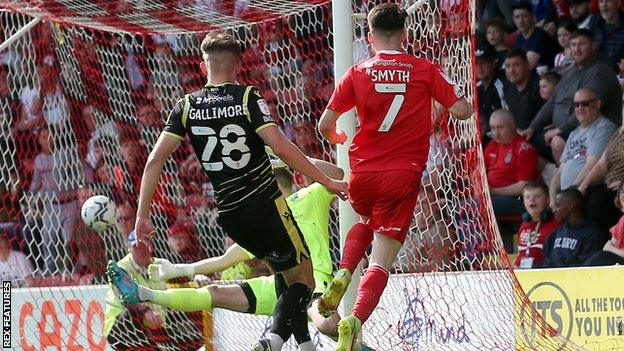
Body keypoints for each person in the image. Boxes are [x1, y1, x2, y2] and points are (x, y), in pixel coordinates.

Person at [107, 31, 348, 351]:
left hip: (231, 217)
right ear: (238, 64)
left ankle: (304, 347)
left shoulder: (186, 105)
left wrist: (142, 218)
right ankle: (273, 341)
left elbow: (153, 161)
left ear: (203, 63)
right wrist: (327, 181)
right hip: (266, 205)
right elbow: (280, 144)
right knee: (304, 280)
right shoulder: (247, 98)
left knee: (284, 277)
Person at [315, 4, 472, 350]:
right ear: (406, 35)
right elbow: (463, 111)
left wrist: (338, 139)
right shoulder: (424, 69)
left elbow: (325, 125)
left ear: (369, 38)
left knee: (363, 219)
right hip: (402, 174)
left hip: (363, 171)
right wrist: (447, 93)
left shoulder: (356, 72)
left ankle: (343, 270)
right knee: (383, 257)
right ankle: (354, 320)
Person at [108, 158, 376, 350]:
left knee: (327, 324)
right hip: (281, 286)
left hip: (314, 281)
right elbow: (227, 259)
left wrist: (290, 155)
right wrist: (180, 270)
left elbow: (339, 171)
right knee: (217, 293)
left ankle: (298, 335)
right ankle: (143, 293)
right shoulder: (271, 216)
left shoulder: (307, 196)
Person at [521, 29, 622, 164]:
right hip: (567, 128)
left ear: (593, 46)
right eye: (573, 45)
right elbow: (552, 101)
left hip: (592, 130)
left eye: (582, 44)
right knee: (525, 143)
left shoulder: (600, 71)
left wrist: (559, 130)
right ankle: (554, 174)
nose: (577, 49)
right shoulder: (571, 71)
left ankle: (570, 182)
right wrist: (532, 127)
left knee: (557, 142)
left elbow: (586, 108)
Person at [104, 231, 204, 351]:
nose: (141, 250)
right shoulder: (121, 268)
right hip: (122, 328)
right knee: (132, 312)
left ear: (151, 247)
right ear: (129, 249)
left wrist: (197, 277)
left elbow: (182, 275)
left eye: (144, 245)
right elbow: (125, 298)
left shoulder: (160, 264)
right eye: (136, 246)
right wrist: (146, 311)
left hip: (154, 329)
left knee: (190, 336)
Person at [549, 88, 616, 211]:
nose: (580, 108)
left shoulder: (604, 127)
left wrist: (571, 193)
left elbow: (592, 166)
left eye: (585, 104)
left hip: (586, 189)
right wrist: (552, 198)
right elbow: (559, 173)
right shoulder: (574, 133)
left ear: (598, 104)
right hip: (567, 195)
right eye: (576, 105)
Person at [485, 109, 539, 217]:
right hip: (491, 196)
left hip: (515, 199)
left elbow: (524, 186)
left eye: (500, 127)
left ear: (513, 125)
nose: (496, 133)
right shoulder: (492, 145)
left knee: (471, 207)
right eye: (492, 128)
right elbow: (480, 170)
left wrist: (493, 191)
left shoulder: (523, 149)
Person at [541, 188, 604, 268]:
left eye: (557, 205)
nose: (554, 210)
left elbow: (587, 267)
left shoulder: (592, 234)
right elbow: (546, 261)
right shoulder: (556, 233)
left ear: (570, 206)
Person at [513, 181, 558, 269]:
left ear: (548, 200)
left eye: (537, 196)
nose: (532, 200)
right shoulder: (524, 224)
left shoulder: (556, 224)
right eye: (527, 197)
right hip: (519, 272)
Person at [584, 182, 624, 266]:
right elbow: (607, 248)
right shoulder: (622, 220)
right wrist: (610, 248)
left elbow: (608, 248)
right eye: (622, 191)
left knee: (600, 257)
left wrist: (611, 249)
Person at [502, 49, 543, 129]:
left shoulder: (539, 86)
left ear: (527, 65)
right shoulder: (507, 85)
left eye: (516, 65)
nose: (511, 70)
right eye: (507, 66)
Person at [511, 1, 555, 70]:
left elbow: (527, 67)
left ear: (532, 16)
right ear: (513, 19)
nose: (520, 21)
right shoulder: (519, 39)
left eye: (524, 16)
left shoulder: (540, 36)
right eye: (517, 17)